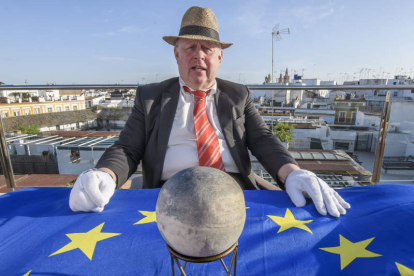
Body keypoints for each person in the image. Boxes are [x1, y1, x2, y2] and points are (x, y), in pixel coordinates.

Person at [69, 6, 350, 217]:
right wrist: (105, 174)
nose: (198, 55)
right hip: (169, 191)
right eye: (190, 47)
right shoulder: (150, 97)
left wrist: (293, 173)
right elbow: (127, 148)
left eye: (207, 48)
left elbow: (263, 139)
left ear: (220, 56)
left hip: (235, 189)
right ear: (176, 55)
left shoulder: (238, 95)